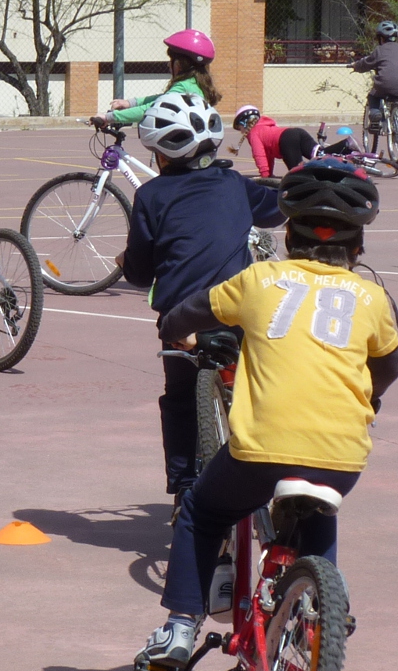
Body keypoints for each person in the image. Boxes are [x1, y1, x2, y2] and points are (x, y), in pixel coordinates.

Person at [135, 160, 398, 671]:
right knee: (320, 509)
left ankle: (180, 626)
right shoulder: (372, 298)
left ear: (286, 236)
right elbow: (389, 363)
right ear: (358, 249)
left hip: (261, 451)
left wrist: (174, 329)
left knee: (202, 511)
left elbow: (187, 314)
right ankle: (318, 616)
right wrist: (371, 402)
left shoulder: (259, 279)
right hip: (342, 454)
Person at [121, 92, 282, 503]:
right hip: (240, 309)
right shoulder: (233, 184)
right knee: (259, 388)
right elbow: (276, 210)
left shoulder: (150, 196)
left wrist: (127, 261)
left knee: (179, 400)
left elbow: (140, 274)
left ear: (161, 155)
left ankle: (184, 486)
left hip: (182, 319)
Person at [91, 28, 221, 130]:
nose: (168, 64)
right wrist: (130, 103)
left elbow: (153, 108)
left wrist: (109, 117)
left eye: (171, 60)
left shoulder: (183, 86)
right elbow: (162, 99)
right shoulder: (194, 84)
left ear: (179, 64)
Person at [351, 21, 398, 131]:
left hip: (384, 84)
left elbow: (366, 63)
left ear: (381, 38)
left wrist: (356, 66)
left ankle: (375, 117)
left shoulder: (379, 50)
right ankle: (397, 118)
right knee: (397, 95)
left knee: (373, 96)